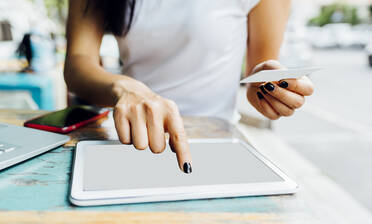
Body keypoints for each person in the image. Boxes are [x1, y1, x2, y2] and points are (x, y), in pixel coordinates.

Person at [64, 0, 315, 174]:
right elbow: (78, 62)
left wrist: (264, 86)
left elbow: (259, 71)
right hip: (134, 142)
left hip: (217, 148)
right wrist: (124, 88)